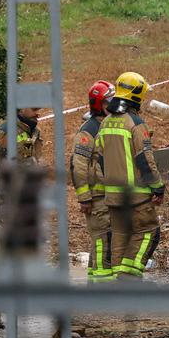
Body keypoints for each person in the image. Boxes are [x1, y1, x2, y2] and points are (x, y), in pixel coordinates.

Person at [93, 72, 163, 280]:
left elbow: (100, 159)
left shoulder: (105, 123)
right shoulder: (136, 123)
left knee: (120, 239)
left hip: (114, 197)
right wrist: (157, 187)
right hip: (136, 196)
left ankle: (118, 285)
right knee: (148, 232)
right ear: (137, 95)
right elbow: (145, 159)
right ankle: (128, 277)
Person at [72, 80, 115, 283]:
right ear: (98, 104)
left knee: (104, 239)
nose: (112, 105)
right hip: (97, 198)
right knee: (102, 241)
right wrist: (84, 197)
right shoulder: (88, 130)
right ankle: (101, 286)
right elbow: (79, 165)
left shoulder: (110, 124)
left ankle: (94, 282)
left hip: (109, 195)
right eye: (108, 102)